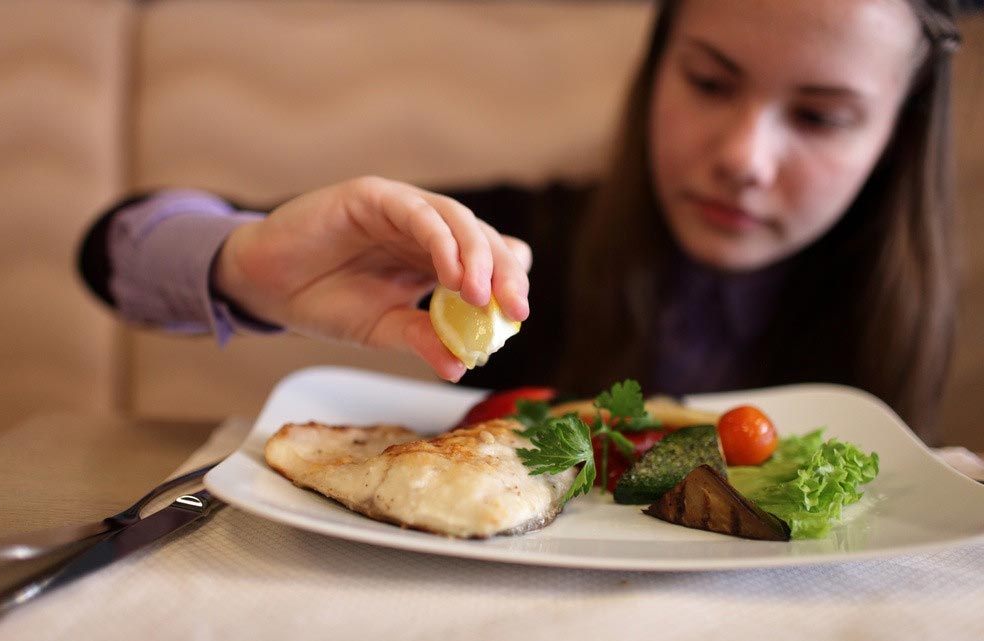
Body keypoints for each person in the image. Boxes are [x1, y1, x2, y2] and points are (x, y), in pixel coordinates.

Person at [78, 0, 963, 441]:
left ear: (895, 138)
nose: (745, 155)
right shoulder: (501, 243)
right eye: (709, 79)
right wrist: (244, 262)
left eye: (819, 117)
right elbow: (110, 249)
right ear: (654, 69)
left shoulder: (913, 321)